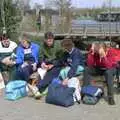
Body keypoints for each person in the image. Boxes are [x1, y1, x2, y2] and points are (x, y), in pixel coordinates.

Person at [37, 32, 63, 96]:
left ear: (53, 39)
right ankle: (40, 89)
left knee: (52, 72)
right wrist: (42, 62)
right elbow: (40, 56)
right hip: (47, 62)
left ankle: (38, 87)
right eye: (47, 41)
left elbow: (62, 59)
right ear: (45, 40)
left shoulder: (58, 45)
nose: (49, 43)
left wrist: (53, 64)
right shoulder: (42, 45)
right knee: (41, 71)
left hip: (57, 63)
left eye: (50, 41)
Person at [59, 38, 84, 103]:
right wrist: (51, 65)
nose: (63, 49)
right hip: (70, 67)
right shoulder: (66, 53)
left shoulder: (76, 52)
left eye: (64, 47)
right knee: (62, 71)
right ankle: (66, 89)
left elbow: (74, 66)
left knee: (65, 71)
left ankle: (68, 87)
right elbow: (62, 61)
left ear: (69, 47)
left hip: (79, 67)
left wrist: (67, 78)